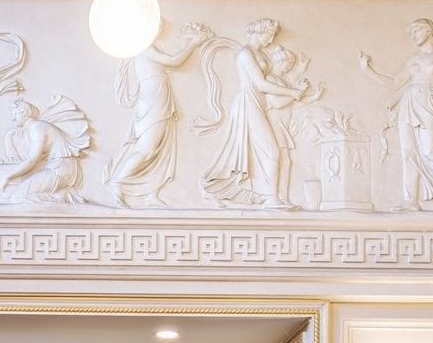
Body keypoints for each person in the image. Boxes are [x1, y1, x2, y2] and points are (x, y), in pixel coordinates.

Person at [361, 18, 433, 214]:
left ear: (429, 31)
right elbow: (395, 83)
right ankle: (410, 200)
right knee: (408, 153)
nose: (413, 36)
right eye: (411, 33)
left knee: (429, 150)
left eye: (416, 31)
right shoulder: (413, 60)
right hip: (408, 102)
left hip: (428, 103)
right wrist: (367, 70)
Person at [198, 18, 307, 209]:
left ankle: (274, 197)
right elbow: (260, 84)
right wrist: (292, 92)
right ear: (259, 32)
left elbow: (276, 76)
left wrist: (298, 76)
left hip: (259, 103)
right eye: (269, 34)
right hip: (248, 103)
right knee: (271, 151)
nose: (272, 39)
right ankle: (270, 199)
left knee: (262, 153)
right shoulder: (245, 54)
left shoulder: (259, 53)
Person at [106, 21, 209, 208]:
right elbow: (174, 61)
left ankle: (152, 194)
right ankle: (117, 181)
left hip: (160, 98)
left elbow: (172, 57)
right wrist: (193, 43)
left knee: (162, 148)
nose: (160, 29)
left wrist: (191, 39)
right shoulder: (144, 49)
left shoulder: (151, 49)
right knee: (147, 148)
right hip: (153, 101)